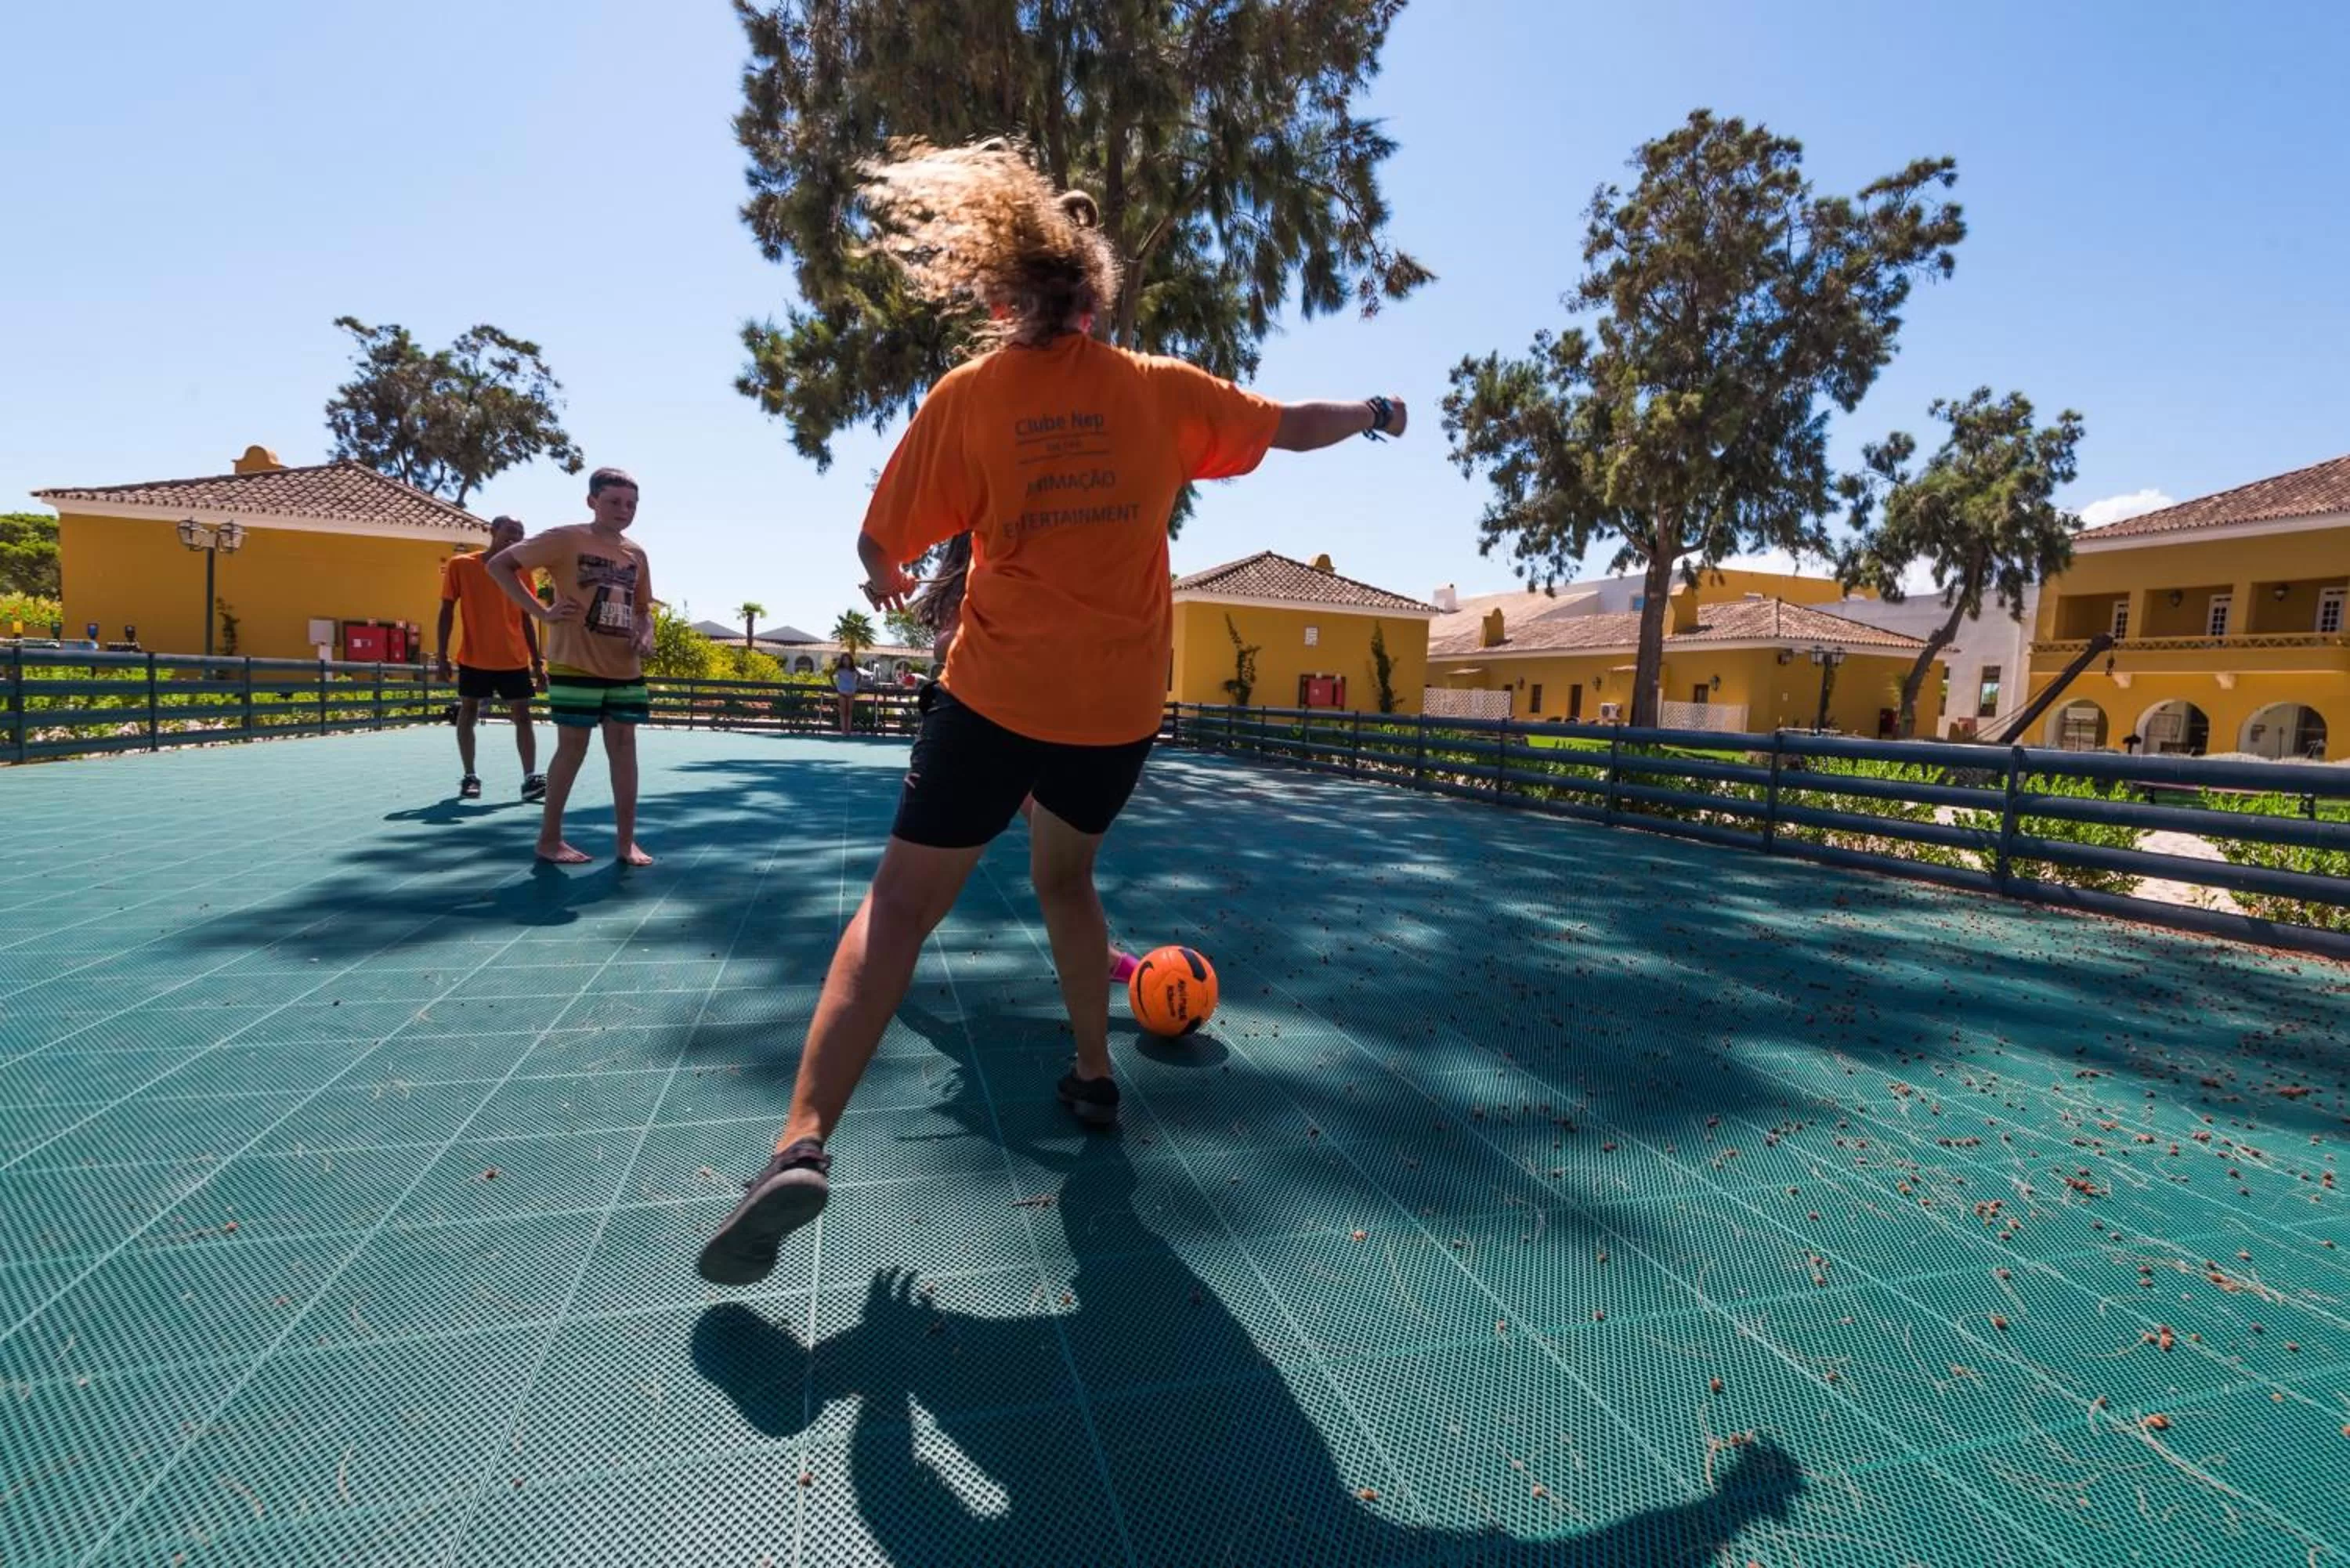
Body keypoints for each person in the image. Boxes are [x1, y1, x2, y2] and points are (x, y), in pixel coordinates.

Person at [698, 139, 1406, 1286]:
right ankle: (1094, 1076)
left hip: (994, 699)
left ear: (996, 297)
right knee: (1066, 880)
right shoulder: (1165, 391)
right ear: (1098, 296)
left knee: (895, 912)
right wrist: (1375, 409)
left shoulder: (970, 399)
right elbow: (1292, 423)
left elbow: (884, 537)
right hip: (1116, 712)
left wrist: (888, 570)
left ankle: (799, 1142)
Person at [486, 468, 656, 866]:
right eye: (614, 501)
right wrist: (541, 612)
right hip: (575, 662)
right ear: (592, 501)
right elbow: (499, 566)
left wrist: (645, 633)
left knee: (625, 749)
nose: (623, 510)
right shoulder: (566, 538)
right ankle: (549, 840)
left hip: (625, 667)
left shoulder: (637, 554)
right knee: (572, 748)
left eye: (631, 504)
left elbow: (644, 610)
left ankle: (626, 843)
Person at [436, 515, 547, 801]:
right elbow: (447, 610)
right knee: (468, 712)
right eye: (510, 531)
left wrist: (537, 663)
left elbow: (526, 618)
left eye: (520, 533)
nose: (515, 537)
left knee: (523, 717)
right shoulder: (462, 565)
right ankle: (470, 777)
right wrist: (441, 655)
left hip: (513, 659)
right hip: (474, 657)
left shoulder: (522, 572)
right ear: (492, 531)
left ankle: (530, 779)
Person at [831, 652, 860, 736]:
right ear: (842, 660)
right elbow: (830, 675)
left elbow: (860, 676)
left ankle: (849, 731)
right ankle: (844, 731)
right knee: (843, 713)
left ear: (850, 660)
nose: (846, 661)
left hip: (851, 692)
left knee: (849, 712)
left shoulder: (853, 668)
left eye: (847, 659)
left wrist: (856, 686)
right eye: (844, 660)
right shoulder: (839, 668)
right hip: (842, 692)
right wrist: (834, 686)